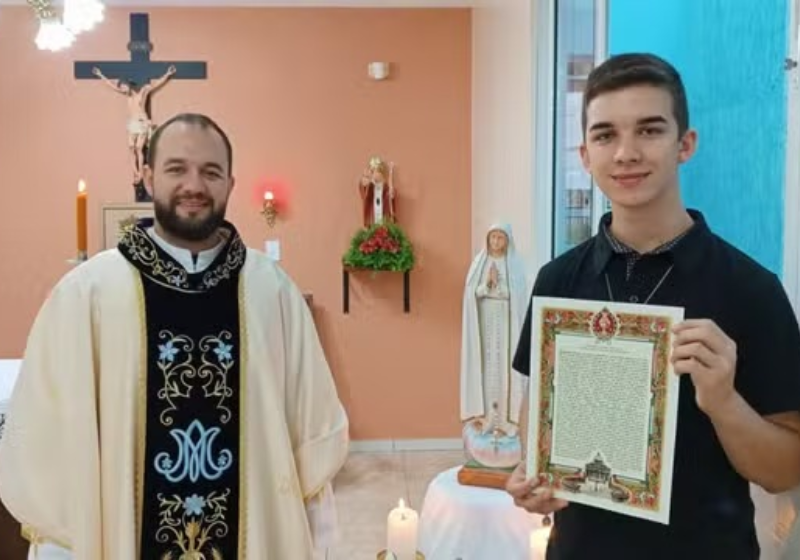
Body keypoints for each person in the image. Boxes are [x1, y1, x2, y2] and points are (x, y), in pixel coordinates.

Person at [0, 113, 349, 560]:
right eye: (176, 168)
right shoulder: (87, 295)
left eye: (210, 171)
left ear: (230, 183)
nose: (194, 185)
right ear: (147, 176)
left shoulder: (272, 291)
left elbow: (309, 435)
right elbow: (52, 447)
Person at [506, 53, 800, 559]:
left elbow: (787, 471)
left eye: (649, 130)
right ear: (584, 154)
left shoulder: (752, 290)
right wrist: (534, 474)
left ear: (685, 144)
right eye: (605, 135)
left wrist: (724, 402)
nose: (625, 153)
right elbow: (535, 424)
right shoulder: (557, 281)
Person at [460, 224, 529, 471]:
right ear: (487, 239)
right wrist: (487, 285)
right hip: (486, 328)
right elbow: (471, 294)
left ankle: (508, 422)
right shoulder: (480, 264)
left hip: (507, 330)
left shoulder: (515, 267)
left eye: (501, 237)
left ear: (507, 240)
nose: (497, 241)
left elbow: (519, 297)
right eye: (493, 237)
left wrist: (498, 288)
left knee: (505, 371)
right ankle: (488, 419)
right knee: (488, 370)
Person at [93, 65, 177, 183]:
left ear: (128, 84)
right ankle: (136, 173)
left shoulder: (143, 92)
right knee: (131, 148)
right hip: (133, 123)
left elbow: (155, 85)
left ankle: (141, 174)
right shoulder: (127, 95)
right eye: (121, 87)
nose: (122, 89)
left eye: (123, 86)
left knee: (138, 148)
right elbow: (112, 86)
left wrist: (167, 74)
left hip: (141, 122)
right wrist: (100, 75)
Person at [359, 156, 396, 227]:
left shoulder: (386, 187)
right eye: (373, 171)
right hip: (372, 219)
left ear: (381, 173)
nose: (375, 174)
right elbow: (363, 188)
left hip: (384, 220)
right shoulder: (370, 187)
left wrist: (391, 195)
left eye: (377, 171)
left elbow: (391, 197)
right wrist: (368, 179)